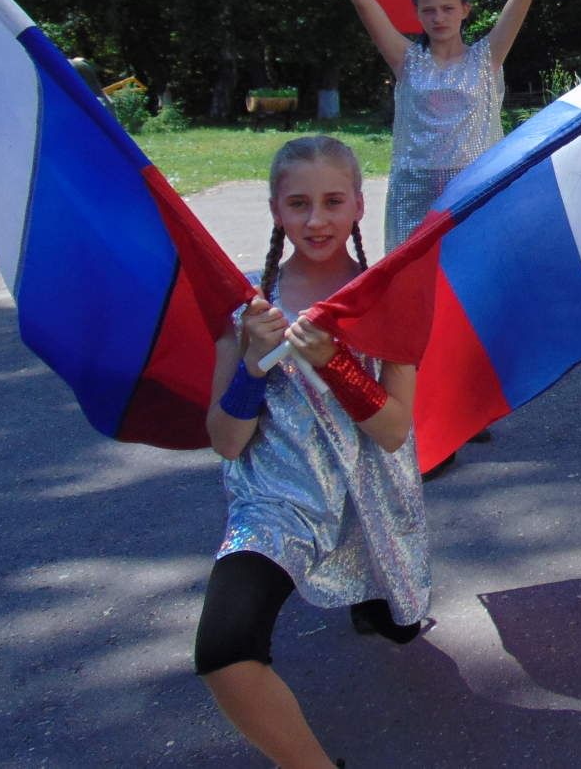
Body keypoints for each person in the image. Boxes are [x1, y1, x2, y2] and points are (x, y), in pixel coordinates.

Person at [195, 135, 428, 769]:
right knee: (224, 651)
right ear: (275, 209)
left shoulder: (388, 296)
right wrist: (249, 363)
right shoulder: (247, 306)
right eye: (299, 203)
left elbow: (393, 431)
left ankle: (379, 601)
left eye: (332, 202)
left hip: (372, 502)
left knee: (398, 620)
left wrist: (338, 364)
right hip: (276, 507)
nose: (316, 219)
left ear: (358, 206)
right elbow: (226, 440)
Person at [300, 0, 569, 253]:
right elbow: (363, 1)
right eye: (429, 10)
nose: (438, 18)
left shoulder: (487, 57)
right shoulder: (405, 59)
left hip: (476, 188)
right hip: (414, 192)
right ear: (418, 14)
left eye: (447, 9)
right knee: (413, 289)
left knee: (472, 285)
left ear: (464, 11)